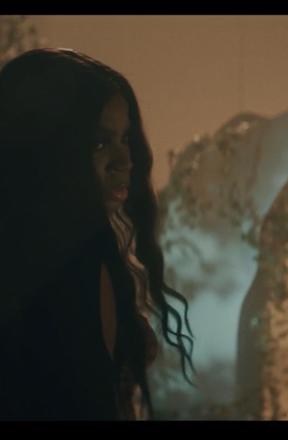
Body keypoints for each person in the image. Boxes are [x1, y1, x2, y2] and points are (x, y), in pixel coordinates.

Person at [0, 48, 194, 420]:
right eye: (99, 142)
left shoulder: (86, 251)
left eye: (125, 139)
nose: (126, 161)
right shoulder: (74, 264)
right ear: (44, 151)